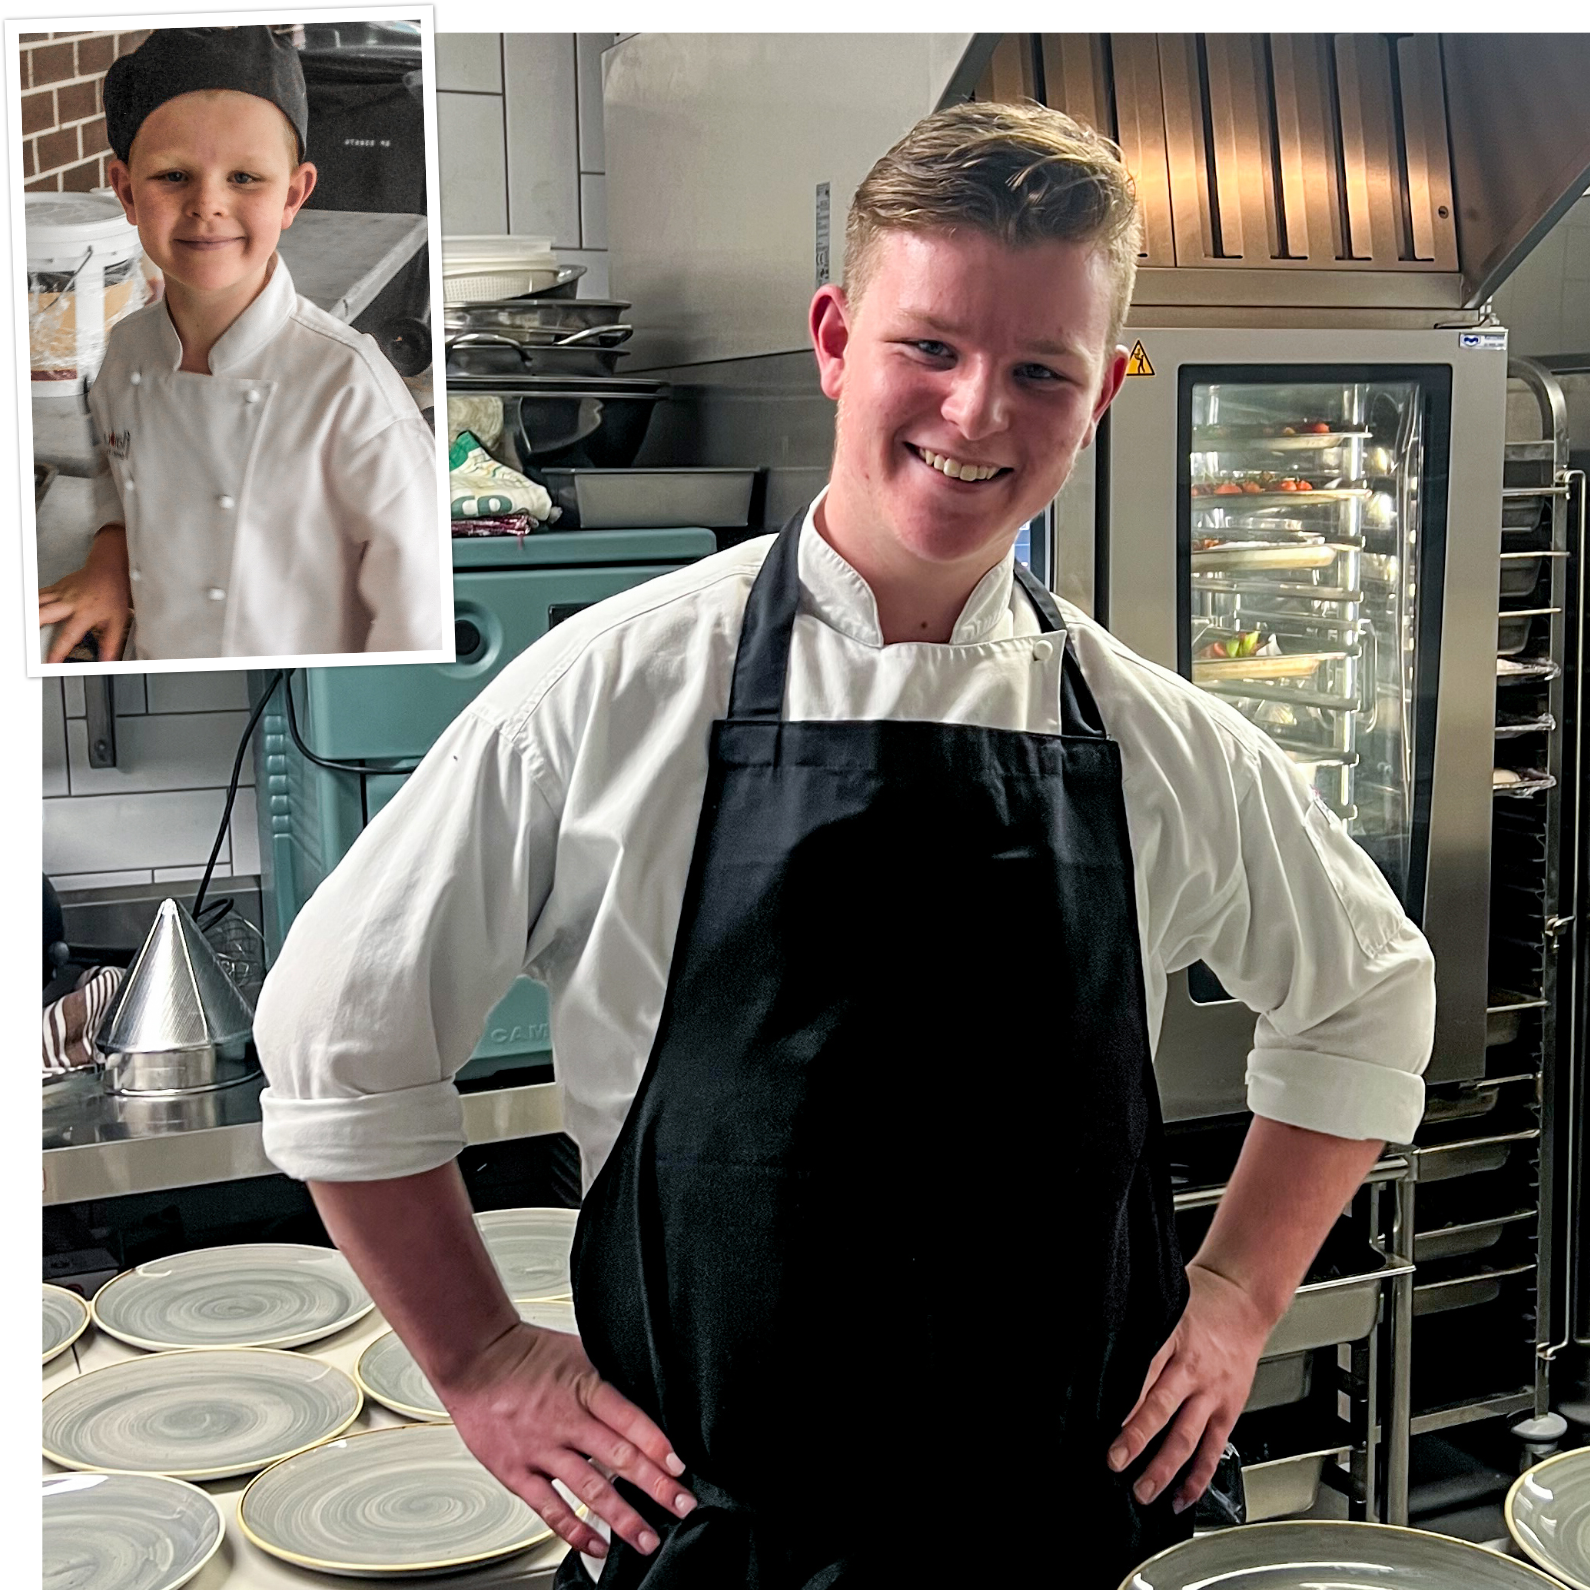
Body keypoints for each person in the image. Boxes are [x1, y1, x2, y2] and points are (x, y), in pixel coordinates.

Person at [254, 102, 1435, 1586]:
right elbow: (339, 1037)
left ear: (1102, 394)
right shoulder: (612, 693)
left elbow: (1368, 996)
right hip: (719, 1548)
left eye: (1042, 370)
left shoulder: (1158, 738)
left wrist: (1239, 1297)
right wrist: (481, 1357)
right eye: (928, 346)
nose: (975, 413)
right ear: (832, 338)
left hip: (1067, 1536)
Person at [36, 26, 442, 664]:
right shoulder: (126, 351)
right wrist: (109, 559)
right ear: (126, 193)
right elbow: (122, 473)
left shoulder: (349, 389)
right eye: (173, 176)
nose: (208, 205)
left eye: (245, 177)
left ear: (293, 195)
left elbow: (418, 618)